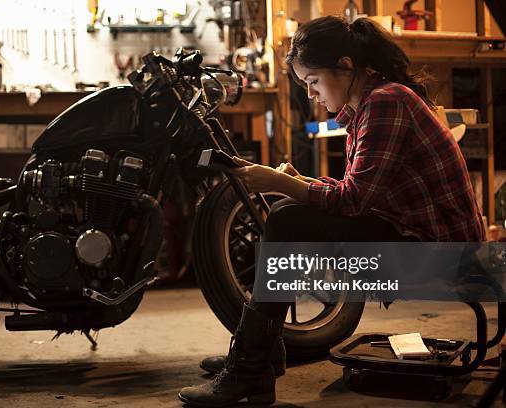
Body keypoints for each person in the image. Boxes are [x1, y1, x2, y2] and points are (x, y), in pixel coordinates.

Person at [178, 15, 486, 407]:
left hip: (446, 257)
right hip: (417, 238)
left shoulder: (386, 103)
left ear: (344, 66)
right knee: (288, 212)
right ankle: (260, 356)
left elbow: (353, 202)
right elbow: (357, 195)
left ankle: (252, 365)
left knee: (287, 217)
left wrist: (281, 184)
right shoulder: (370, 105)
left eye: (313, 82)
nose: (312, 95)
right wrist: (297, 182)